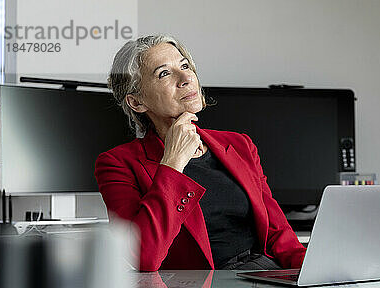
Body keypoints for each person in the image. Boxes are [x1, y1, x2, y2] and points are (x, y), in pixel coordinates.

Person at [95, 34, 306, 271]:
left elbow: (278, 235)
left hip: (263, 279)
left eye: (185, 66)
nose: (186, 78)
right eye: (164, 73)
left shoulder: (240, 144)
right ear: (137, 102)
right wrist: (173, 163)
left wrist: (316, 269)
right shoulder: (116, 163)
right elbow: (142, 258)